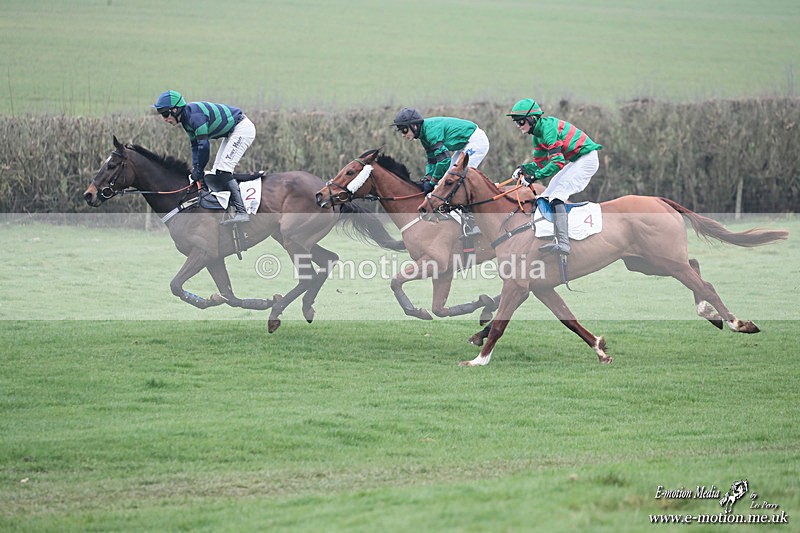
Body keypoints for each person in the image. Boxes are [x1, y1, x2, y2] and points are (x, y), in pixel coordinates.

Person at [507, 98, 602, 255]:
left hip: (586, 159)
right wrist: (524, 169)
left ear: (532, 118)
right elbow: (540, 164)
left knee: (557, 195)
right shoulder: (537, 136)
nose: (518, 125)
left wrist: (533, 177)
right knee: (546, 195)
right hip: (576, 160)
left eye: (521, 121)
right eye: (516, 122)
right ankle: (552, 235)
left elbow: (557, 163)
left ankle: (564, 243)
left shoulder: (548, 129)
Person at [153, 90, 255, 224]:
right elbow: (195, 147)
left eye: (165, 114)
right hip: (233, 131)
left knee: (224, 171)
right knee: (217, 172)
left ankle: (242, 212)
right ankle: (228, 207)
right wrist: (196, 169)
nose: (165, 119)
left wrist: (199, 170)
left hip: (242, 129)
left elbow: (204, 147)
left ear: (176, 109)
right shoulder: (186, 121)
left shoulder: (195, 118)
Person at [391, 107, 490, 193]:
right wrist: (428, 178)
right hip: (465, 145)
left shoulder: (431, 132)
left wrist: (432, 182)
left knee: (455, 177)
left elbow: (444, 160)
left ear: (414, 126)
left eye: (404, 130)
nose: (403, 135)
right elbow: (432, 161)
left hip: (476, 141)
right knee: (447, 177)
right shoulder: (423, 135)